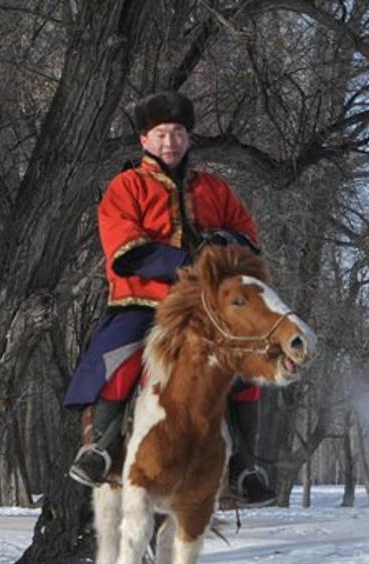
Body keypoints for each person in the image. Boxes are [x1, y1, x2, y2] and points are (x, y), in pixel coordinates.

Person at [62, 90, 274, 506]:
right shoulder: (126, 187)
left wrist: (225, 243)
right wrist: (189, 259)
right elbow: (126, 248)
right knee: (118, 355)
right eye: (160, 133)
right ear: (144, 139)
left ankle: (246, 464)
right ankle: (100, 449)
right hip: (142, 302)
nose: (170, 142)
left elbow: (248, 238)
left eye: (178, 132)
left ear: (188, 137)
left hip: (207, 306)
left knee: (249, 363)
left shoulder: (214, 188)